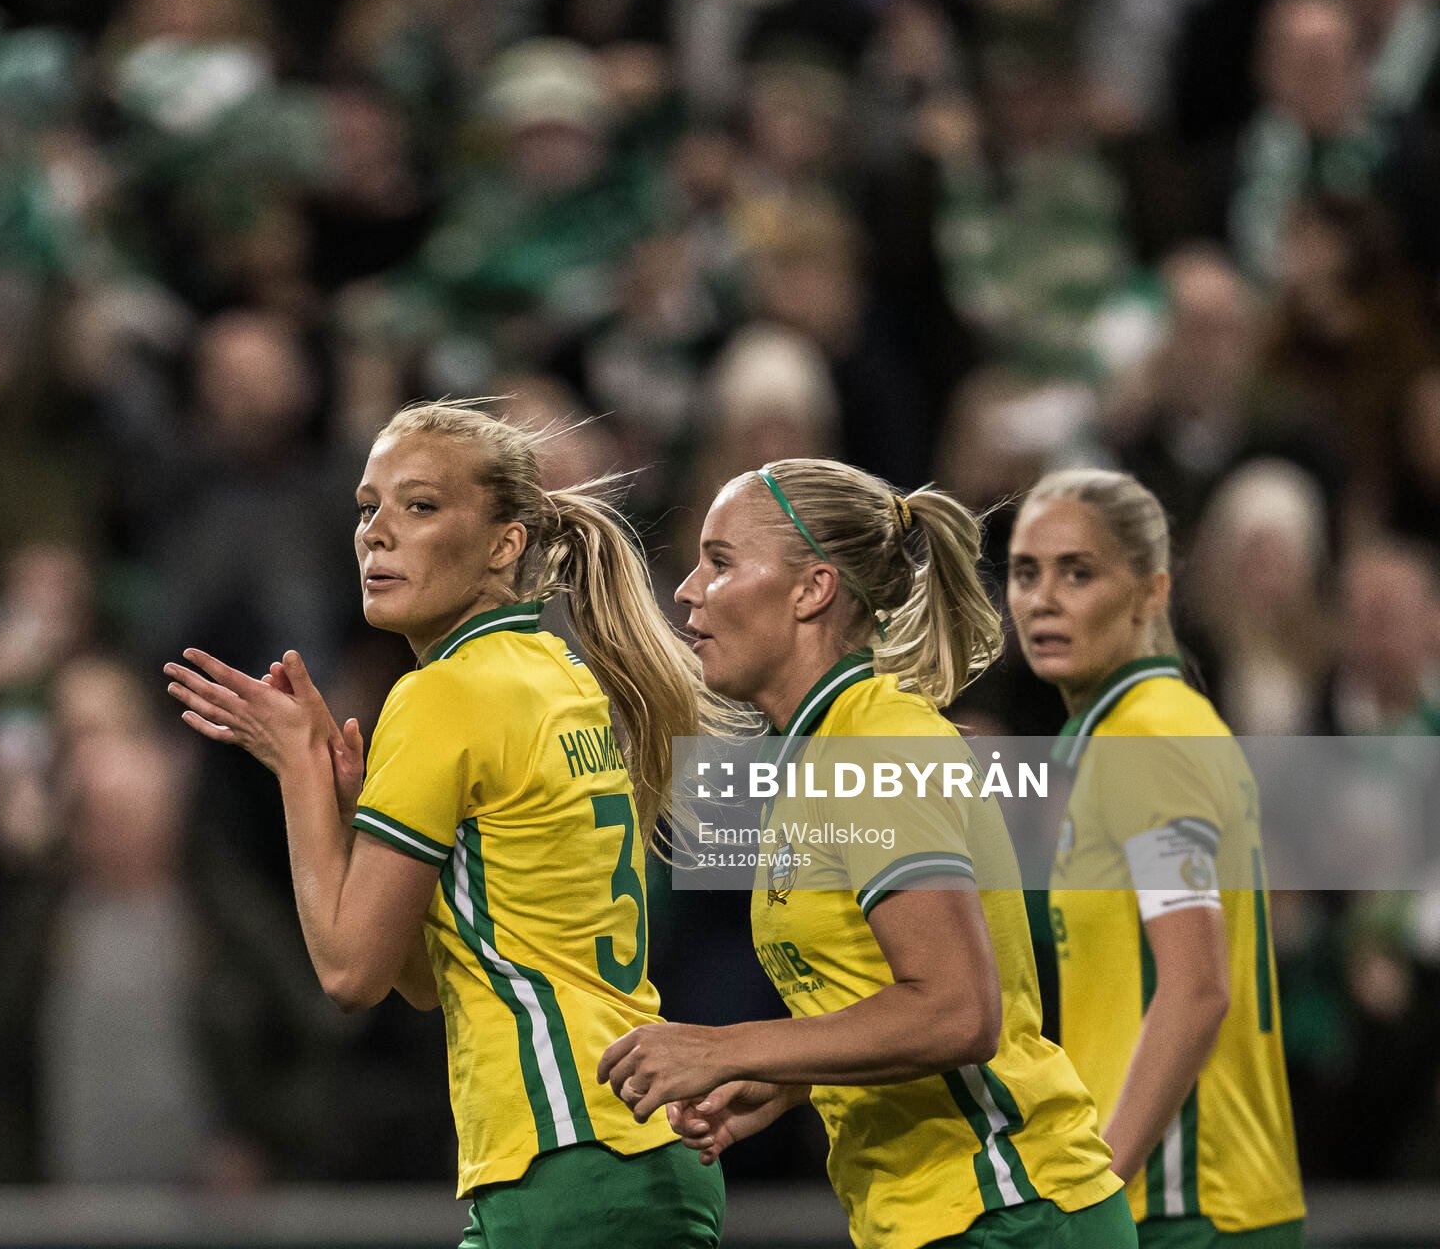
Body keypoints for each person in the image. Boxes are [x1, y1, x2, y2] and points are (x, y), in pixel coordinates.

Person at [165, 401, 732, 1246]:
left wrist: (298, 777)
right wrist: (361, 815)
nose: (377, 534)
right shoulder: (556, 671)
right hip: (632, 1155)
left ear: (506, 542)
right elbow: (428, 977)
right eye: (368, 508)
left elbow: (349, 976)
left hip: (568, 1157)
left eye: (420, 506)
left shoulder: (443, 695)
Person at [599, 458, 1134, 1248]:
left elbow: (958, 1010)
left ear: (812, 589)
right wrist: (786, 1078)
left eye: (720, 562)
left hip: (1008, 1211)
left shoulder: (876, 745)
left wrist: (728, 1046)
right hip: (950, 1219)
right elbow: (890, 994)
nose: (686, 590)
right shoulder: (821, 750)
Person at [1008, 467, 1306, 1246]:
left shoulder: (1147, 739)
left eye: (1079, 573)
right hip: (1186, 1198)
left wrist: (1096, 1186)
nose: (1044, 599)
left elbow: (1198, 986)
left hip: (1182, 1204)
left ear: (1150, 593)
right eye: (1026, 572)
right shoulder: (1143, 730)